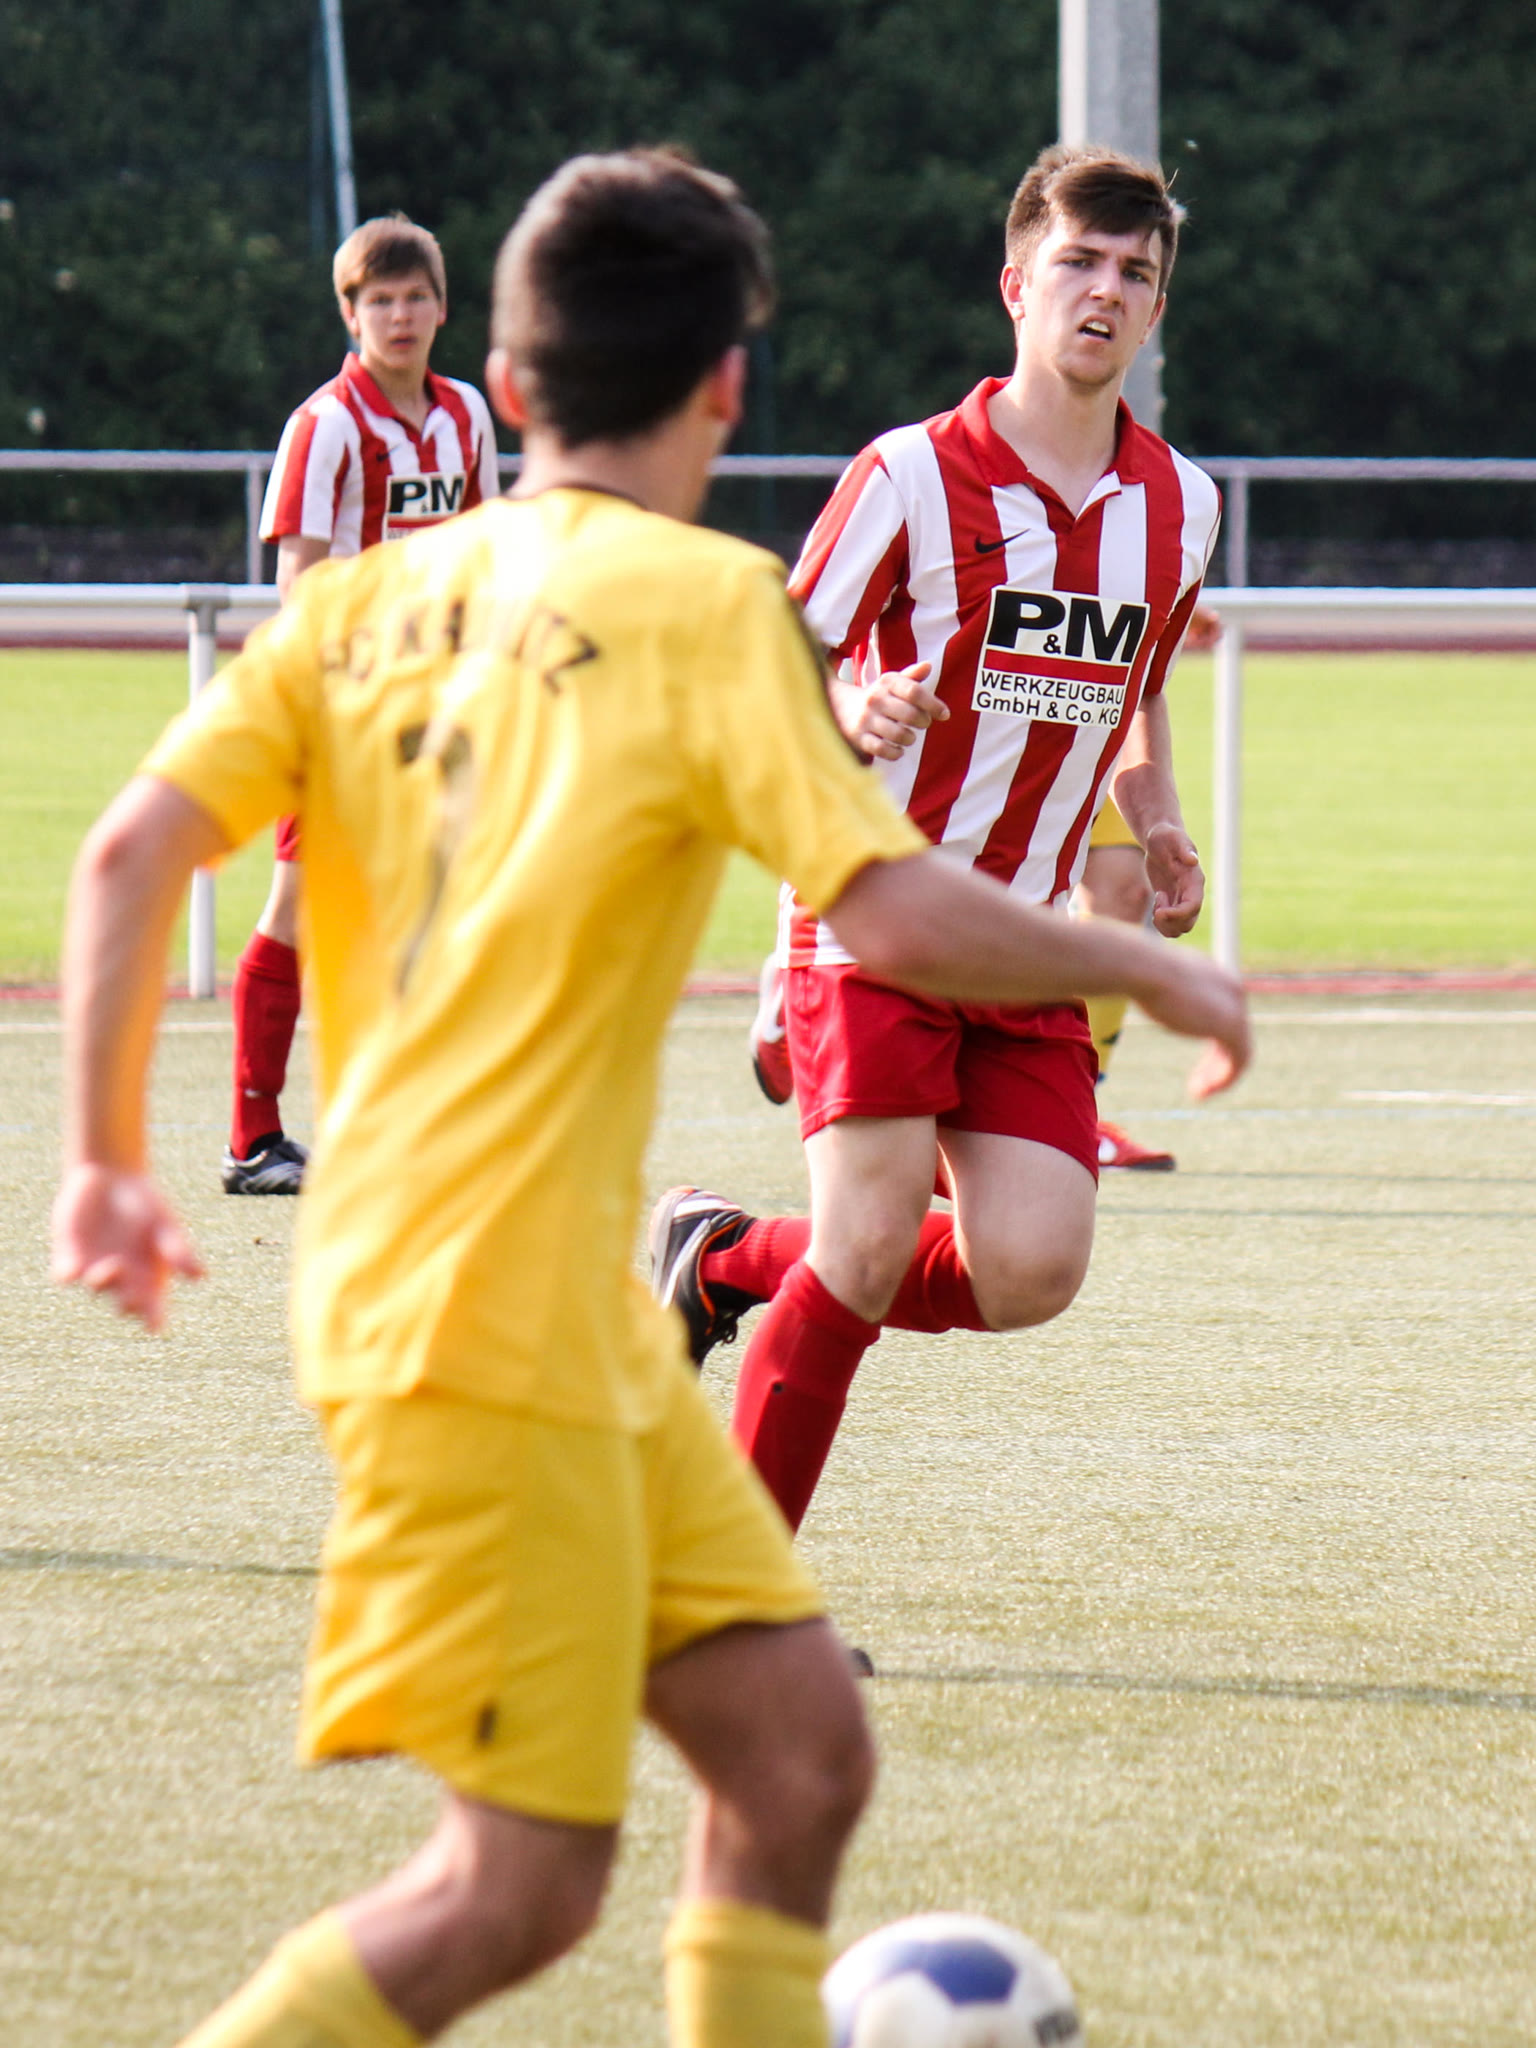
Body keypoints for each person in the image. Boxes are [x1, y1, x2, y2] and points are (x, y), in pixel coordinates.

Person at [52, 147, 1246, 2048]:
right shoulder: (707, 607)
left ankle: (713, 1275)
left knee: (802, 1762)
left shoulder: (363, 609)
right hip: (481, 1342)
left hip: (512, 1315)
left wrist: (104, 1164)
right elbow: (886, 903)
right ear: (727, 388)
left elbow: (125, 857)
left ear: (502, 386)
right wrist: (1151, 966)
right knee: (512, 1891)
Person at [654, 142, 1224, 1537]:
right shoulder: (908, 475)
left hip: (1024, 942)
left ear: (1158, 309)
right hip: (875, 915)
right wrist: (851, 705)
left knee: (1029, 1270)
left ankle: (724, 1255)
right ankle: (737, 1601)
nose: (1105, 290)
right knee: (863, 1244)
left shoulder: (1183, 506)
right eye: (1078, 262)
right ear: (1016, 284)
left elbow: (1135, 685)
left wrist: (1154, 815)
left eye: (1134, 272)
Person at [224, 213, 499, 1195]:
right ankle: (253, 1139)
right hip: (341, 706)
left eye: (416, 297)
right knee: (298, 905)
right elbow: (299, 583)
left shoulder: (466, 413)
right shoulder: (326, 424)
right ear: (350, 314)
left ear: (443, 308)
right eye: (380, 300)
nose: (400, 316)